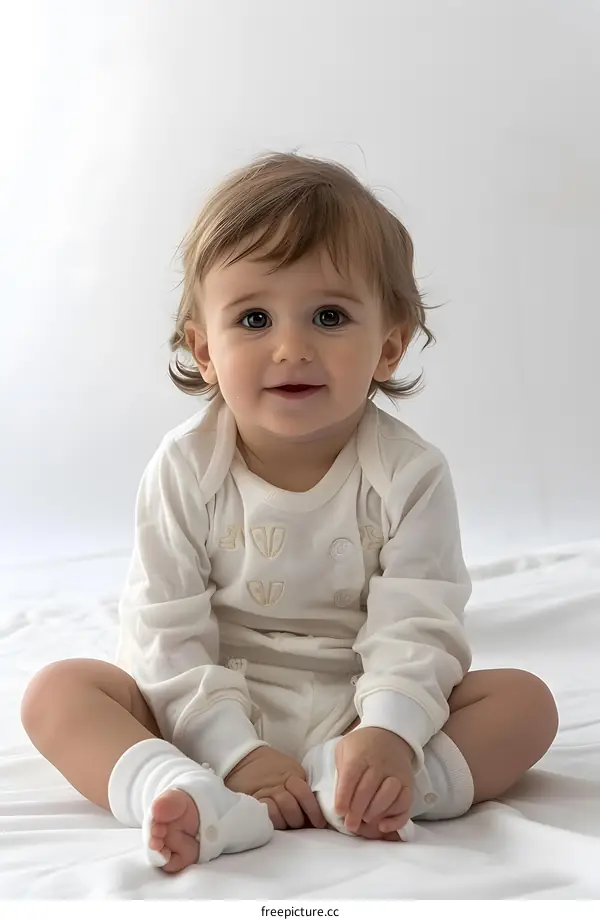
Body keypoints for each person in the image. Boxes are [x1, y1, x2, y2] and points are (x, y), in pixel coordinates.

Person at [20, 152, 559, 874]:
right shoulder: (185, 469)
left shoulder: (410, 473)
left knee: (525, 705)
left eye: (329, 316)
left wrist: (391, 732)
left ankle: (374, 788)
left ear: (389, 347)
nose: (291, 347)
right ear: (204, 351)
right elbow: (164, 635)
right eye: (254, 317)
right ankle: (181, 793)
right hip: (205, 710)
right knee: (57, 694)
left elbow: (419, 623)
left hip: (355, 711)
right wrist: (233, 753)